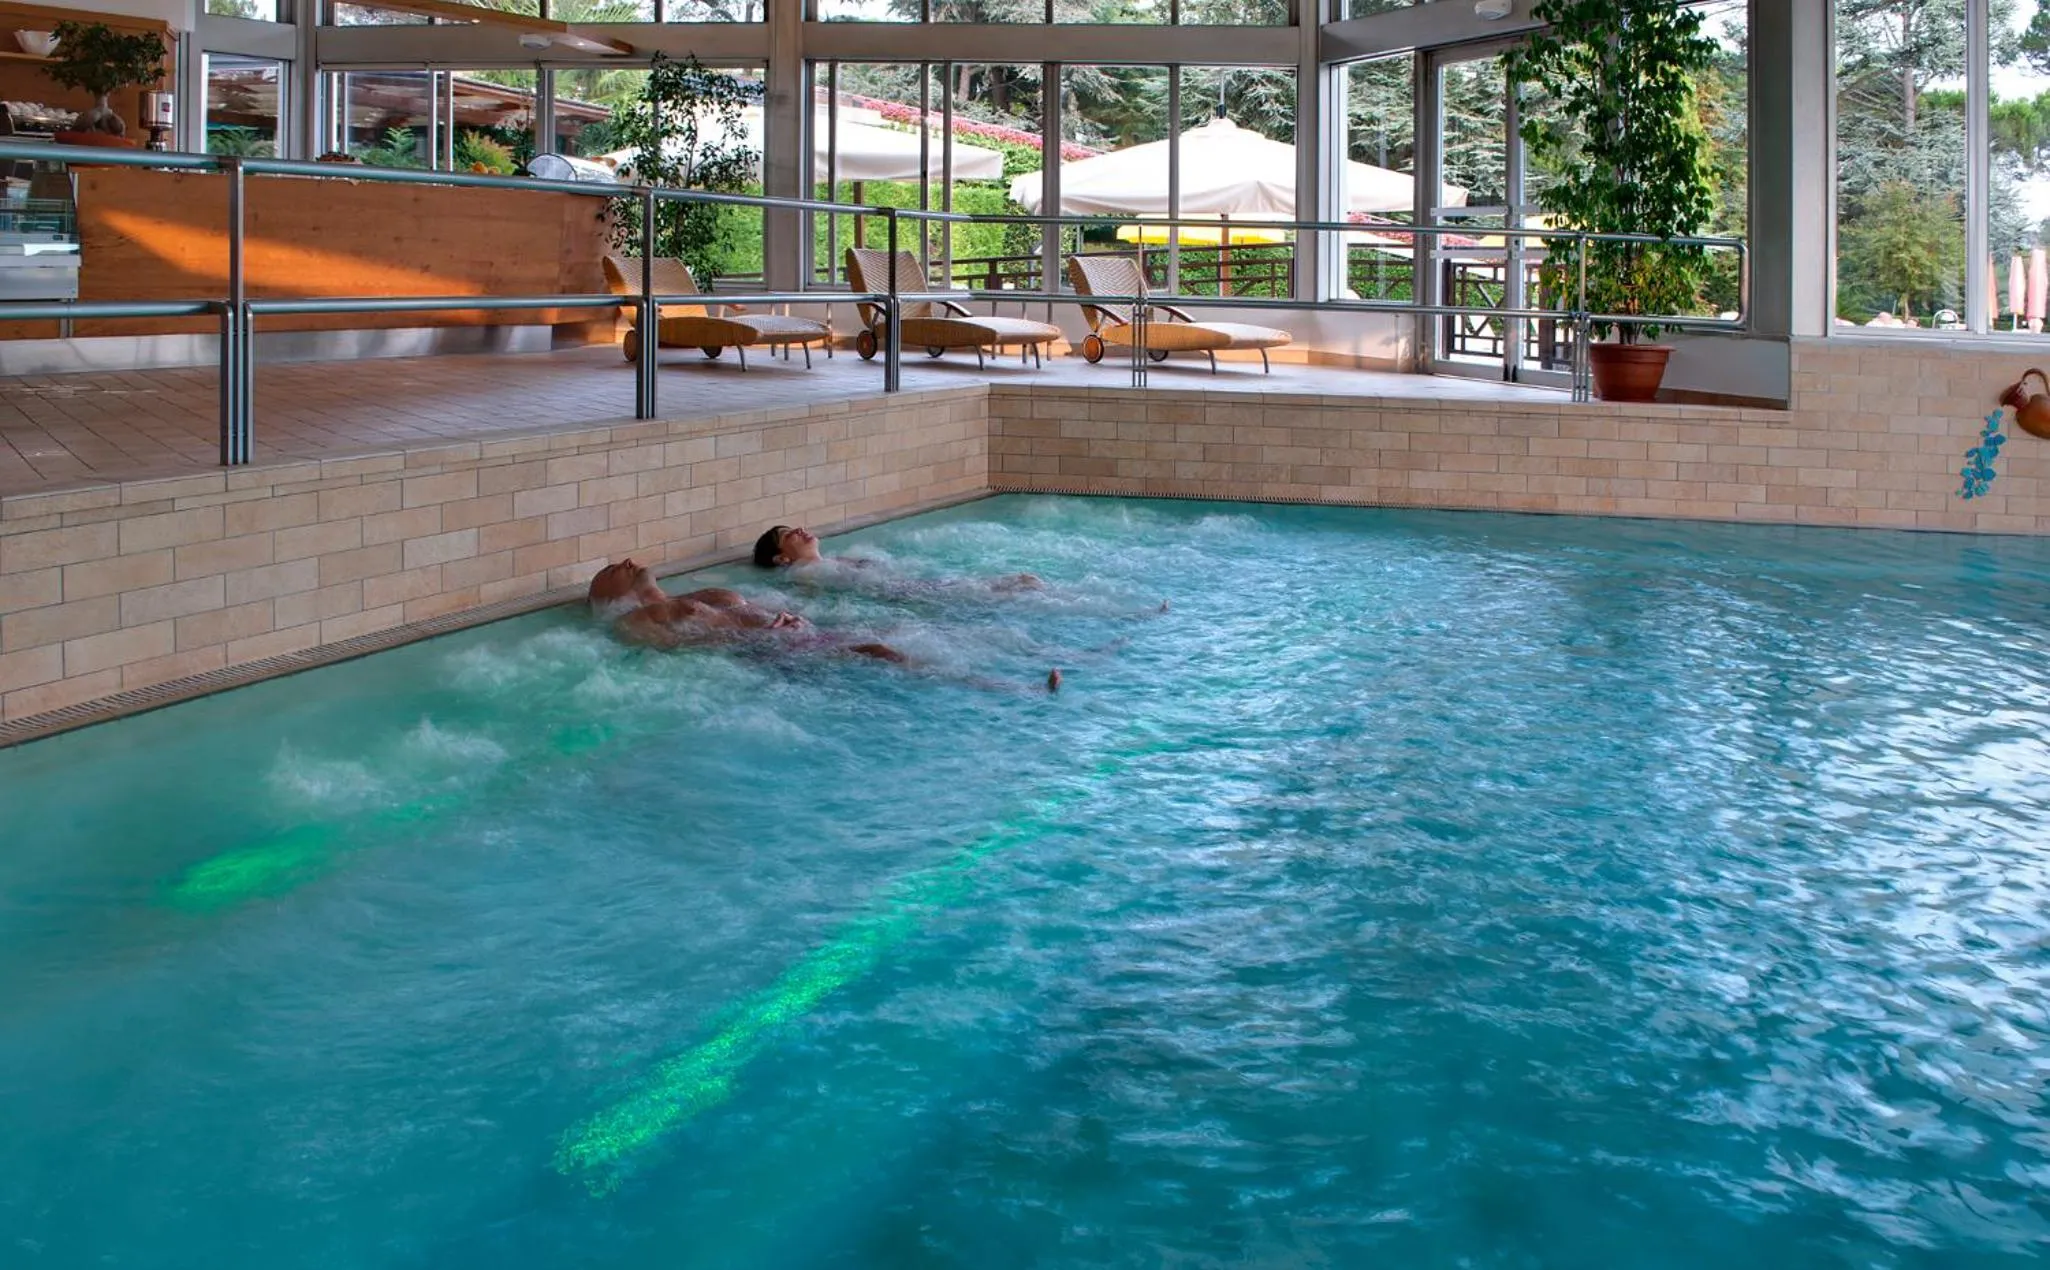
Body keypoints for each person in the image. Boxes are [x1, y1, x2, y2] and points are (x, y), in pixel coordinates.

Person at [586, 558, 905, 662]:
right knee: (879, 650)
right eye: (614, 570)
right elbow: (678, 649)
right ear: (611, 598)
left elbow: (752, 609)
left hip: (797, 635)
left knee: (893, 638)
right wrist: (760, 637)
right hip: (772, 653)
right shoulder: (630, 621)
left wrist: (794, 617)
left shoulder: (698, 595)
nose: (628, 562)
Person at [751, 524, 1044, 593]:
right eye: (789, 535)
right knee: (1017, 585)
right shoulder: (804, 574)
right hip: (901, 593)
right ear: (781, 559)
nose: (801, 529)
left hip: (909, 586)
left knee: (1021, 583)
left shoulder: (833, 561)